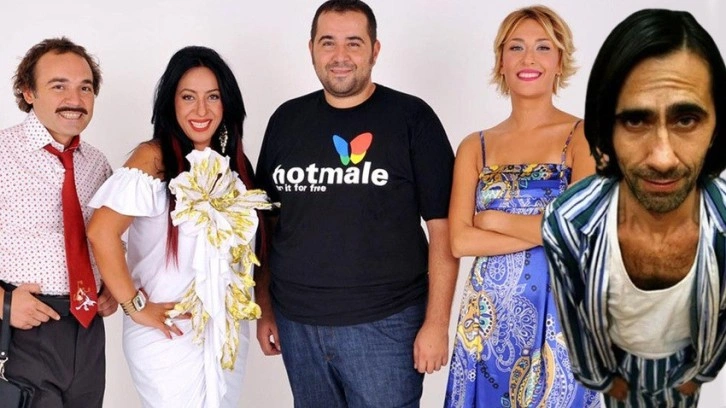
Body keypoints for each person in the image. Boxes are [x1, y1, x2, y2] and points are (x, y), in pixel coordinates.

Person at [254, 0, 459, 406]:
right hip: (297, 323)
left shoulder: (412, 118)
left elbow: (444, 229)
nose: (340, 56)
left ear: (375, 50)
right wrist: (265, 307)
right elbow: (266, 224)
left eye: (354, 43)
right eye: (328, 42)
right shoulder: (286, 120)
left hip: (386, 325)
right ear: (311, 48)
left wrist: (437, 323)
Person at [542, 9, 726, 408]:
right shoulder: (568, 222)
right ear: (606, 130)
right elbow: (574, 319)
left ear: (717, 128)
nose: (662, 158)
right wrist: (602, 380)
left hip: (685, 366)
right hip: (618, 367)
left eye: (686, 119)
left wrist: (701, 375)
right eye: (636, 121)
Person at [86, 46, 268, 408]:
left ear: (227, 103)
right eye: (188, 97)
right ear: (171, 103)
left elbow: (254, 251)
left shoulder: (236, 167)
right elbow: (101, 231)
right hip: (168, 333)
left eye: (212, 97)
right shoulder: (153, 157)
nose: (201, 110)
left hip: (225, 333)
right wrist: (135, 306)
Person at [443, 6, 600, 408]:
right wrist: (543, 231)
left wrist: (492, 219)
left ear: (560, 61)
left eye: (543, 47)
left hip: (562, 315)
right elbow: (460, 241)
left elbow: (576, 233)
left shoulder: (583, 136)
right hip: (487, 318)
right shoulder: (474, 145)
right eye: (516, 47)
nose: (529, 59)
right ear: (501, 61)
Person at [0, 37, 116, 407]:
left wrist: (113, 285)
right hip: (21, 331)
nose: (75, 99)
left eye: (85, 87)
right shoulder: (2, 155)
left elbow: (110, 240)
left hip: (87, 331)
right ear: (28, 92)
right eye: (58, 86)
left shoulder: (97, 165)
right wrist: (2, 304)